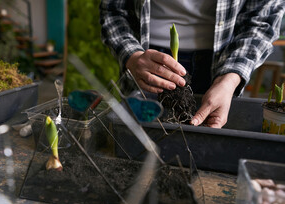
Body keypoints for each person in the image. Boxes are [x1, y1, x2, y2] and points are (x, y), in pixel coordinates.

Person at [99, 0, 285, 128]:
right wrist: (132, 56)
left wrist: (229, 80)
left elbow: (263, 20)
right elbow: (113, 11)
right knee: (135, 146)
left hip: (222, 65)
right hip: (147, 61)